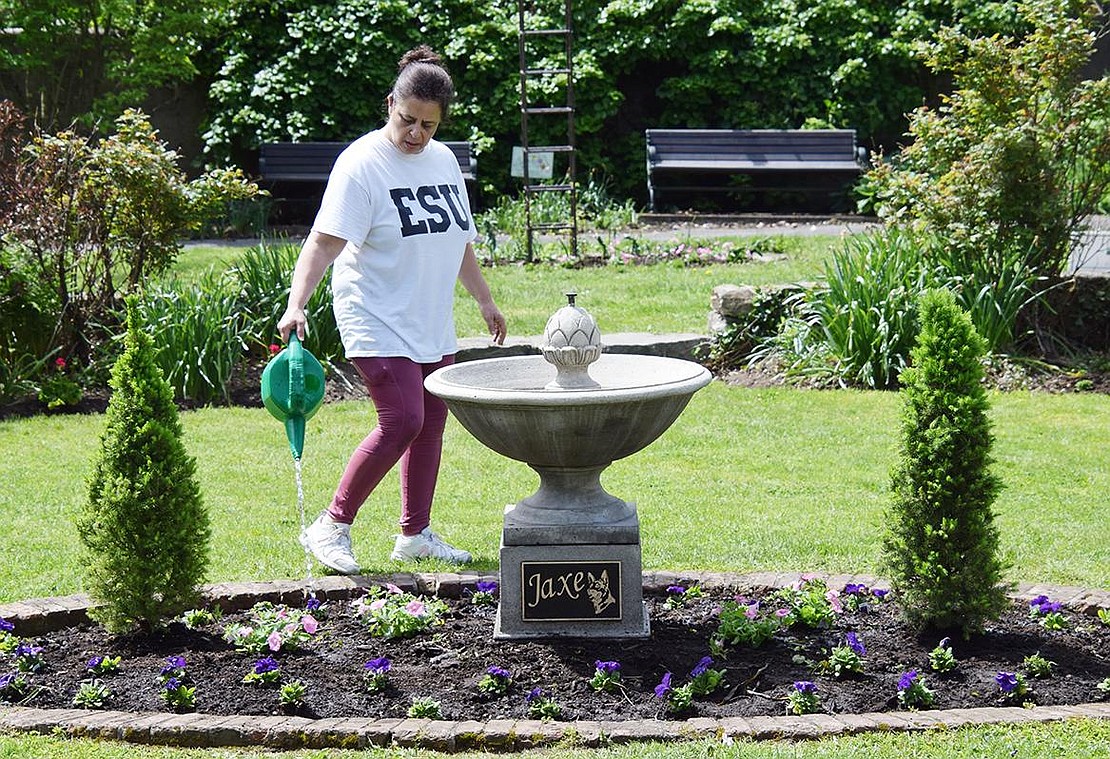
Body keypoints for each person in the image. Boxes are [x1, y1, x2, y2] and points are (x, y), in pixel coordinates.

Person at [277, 45, 506, 574]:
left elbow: (459, 241)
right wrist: (297, 304)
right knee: (402, 418)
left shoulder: (444, 159)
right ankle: (330, 524)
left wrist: (485, 300)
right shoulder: (361, 164)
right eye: (407, 120)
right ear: (390, 104)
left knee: (431, 421)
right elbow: (323, 243)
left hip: (428, 317)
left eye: (428, 124)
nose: (416, 134)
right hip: (373, 313)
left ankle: (415, 534)